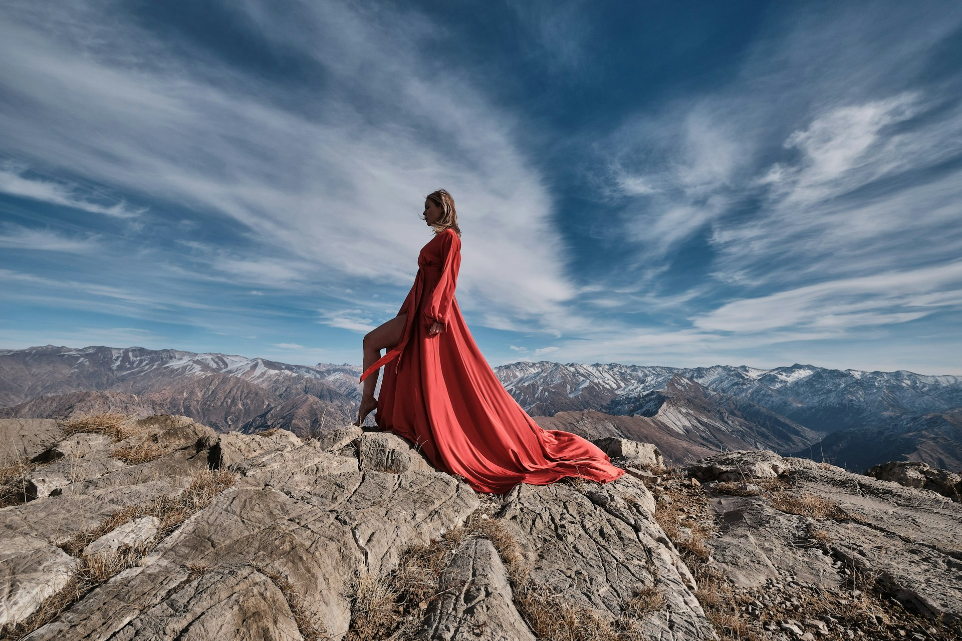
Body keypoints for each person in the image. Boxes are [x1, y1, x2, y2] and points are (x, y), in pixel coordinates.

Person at [354, 189, 624, 494]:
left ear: (442, 209)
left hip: (430, 313)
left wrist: (437, 314)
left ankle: (378, 405)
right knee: (371, 341)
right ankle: (369, 400)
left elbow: (449, 278)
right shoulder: (439, 238)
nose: (423, 212)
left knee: (404, 358)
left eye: (428, 207)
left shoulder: (451, 238)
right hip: (415, 309)